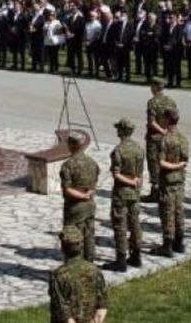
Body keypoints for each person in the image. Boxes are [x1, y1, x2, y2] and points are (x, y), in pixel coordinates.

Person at [105, 118, 143, 273]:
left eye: (118, 129)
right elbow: (140, 173)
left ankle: (121, 260)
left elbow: (116, 174)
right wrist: (136, 184)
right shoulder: (139, 149)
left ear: (122, 131)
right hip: (134, 193)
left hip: (121, 193)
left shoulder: (118, 151)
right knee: (135, 224)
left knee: (120, 226)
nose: (117, 131)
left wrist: (129, 182)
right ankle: (137, 255)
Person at [48, 225, 107, 323]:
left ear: (62, 247)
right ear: (82, 245)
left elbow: (61, 309)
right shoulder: (94, 270)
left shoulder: (58, 275)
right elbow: (102, 307)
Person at [59, 131, 99, 262]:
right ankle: (89, 262)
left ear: (71, 145)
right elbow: (94, 183)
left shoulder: (68, 165)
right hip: (90, 205)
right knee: (89, 235)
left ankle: (74, 264)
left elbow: (67, 189)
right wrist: (88, 194)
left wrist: (82, 196)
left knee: (72, 237)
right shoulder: (92, 162)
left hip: (75, 207)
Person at [154, 107, 188, 258]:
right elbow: (185, 159)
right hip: (179, 180)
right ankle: (179, 242)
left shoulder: (164, 139)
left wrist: (174, 166)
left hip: (168, 181)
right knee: (178, 210)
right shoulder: (182, 138)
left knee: (167, 212)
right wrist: (179, 165)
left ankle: (167, 245)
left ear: (167, 119)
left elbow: (161, 163)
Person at [142, 77, 176, 203]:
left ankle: (155, 192)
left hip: (155, 137)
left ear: (155, 87)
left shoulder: (152, 102)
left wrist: (162, 131)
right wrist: (168, 131)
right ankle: (165, 189)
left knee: (154, 163)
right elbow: (174, 119)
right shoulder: (171, 101)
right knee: (165, 162)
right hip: (168, 137)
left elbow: (152, 122)